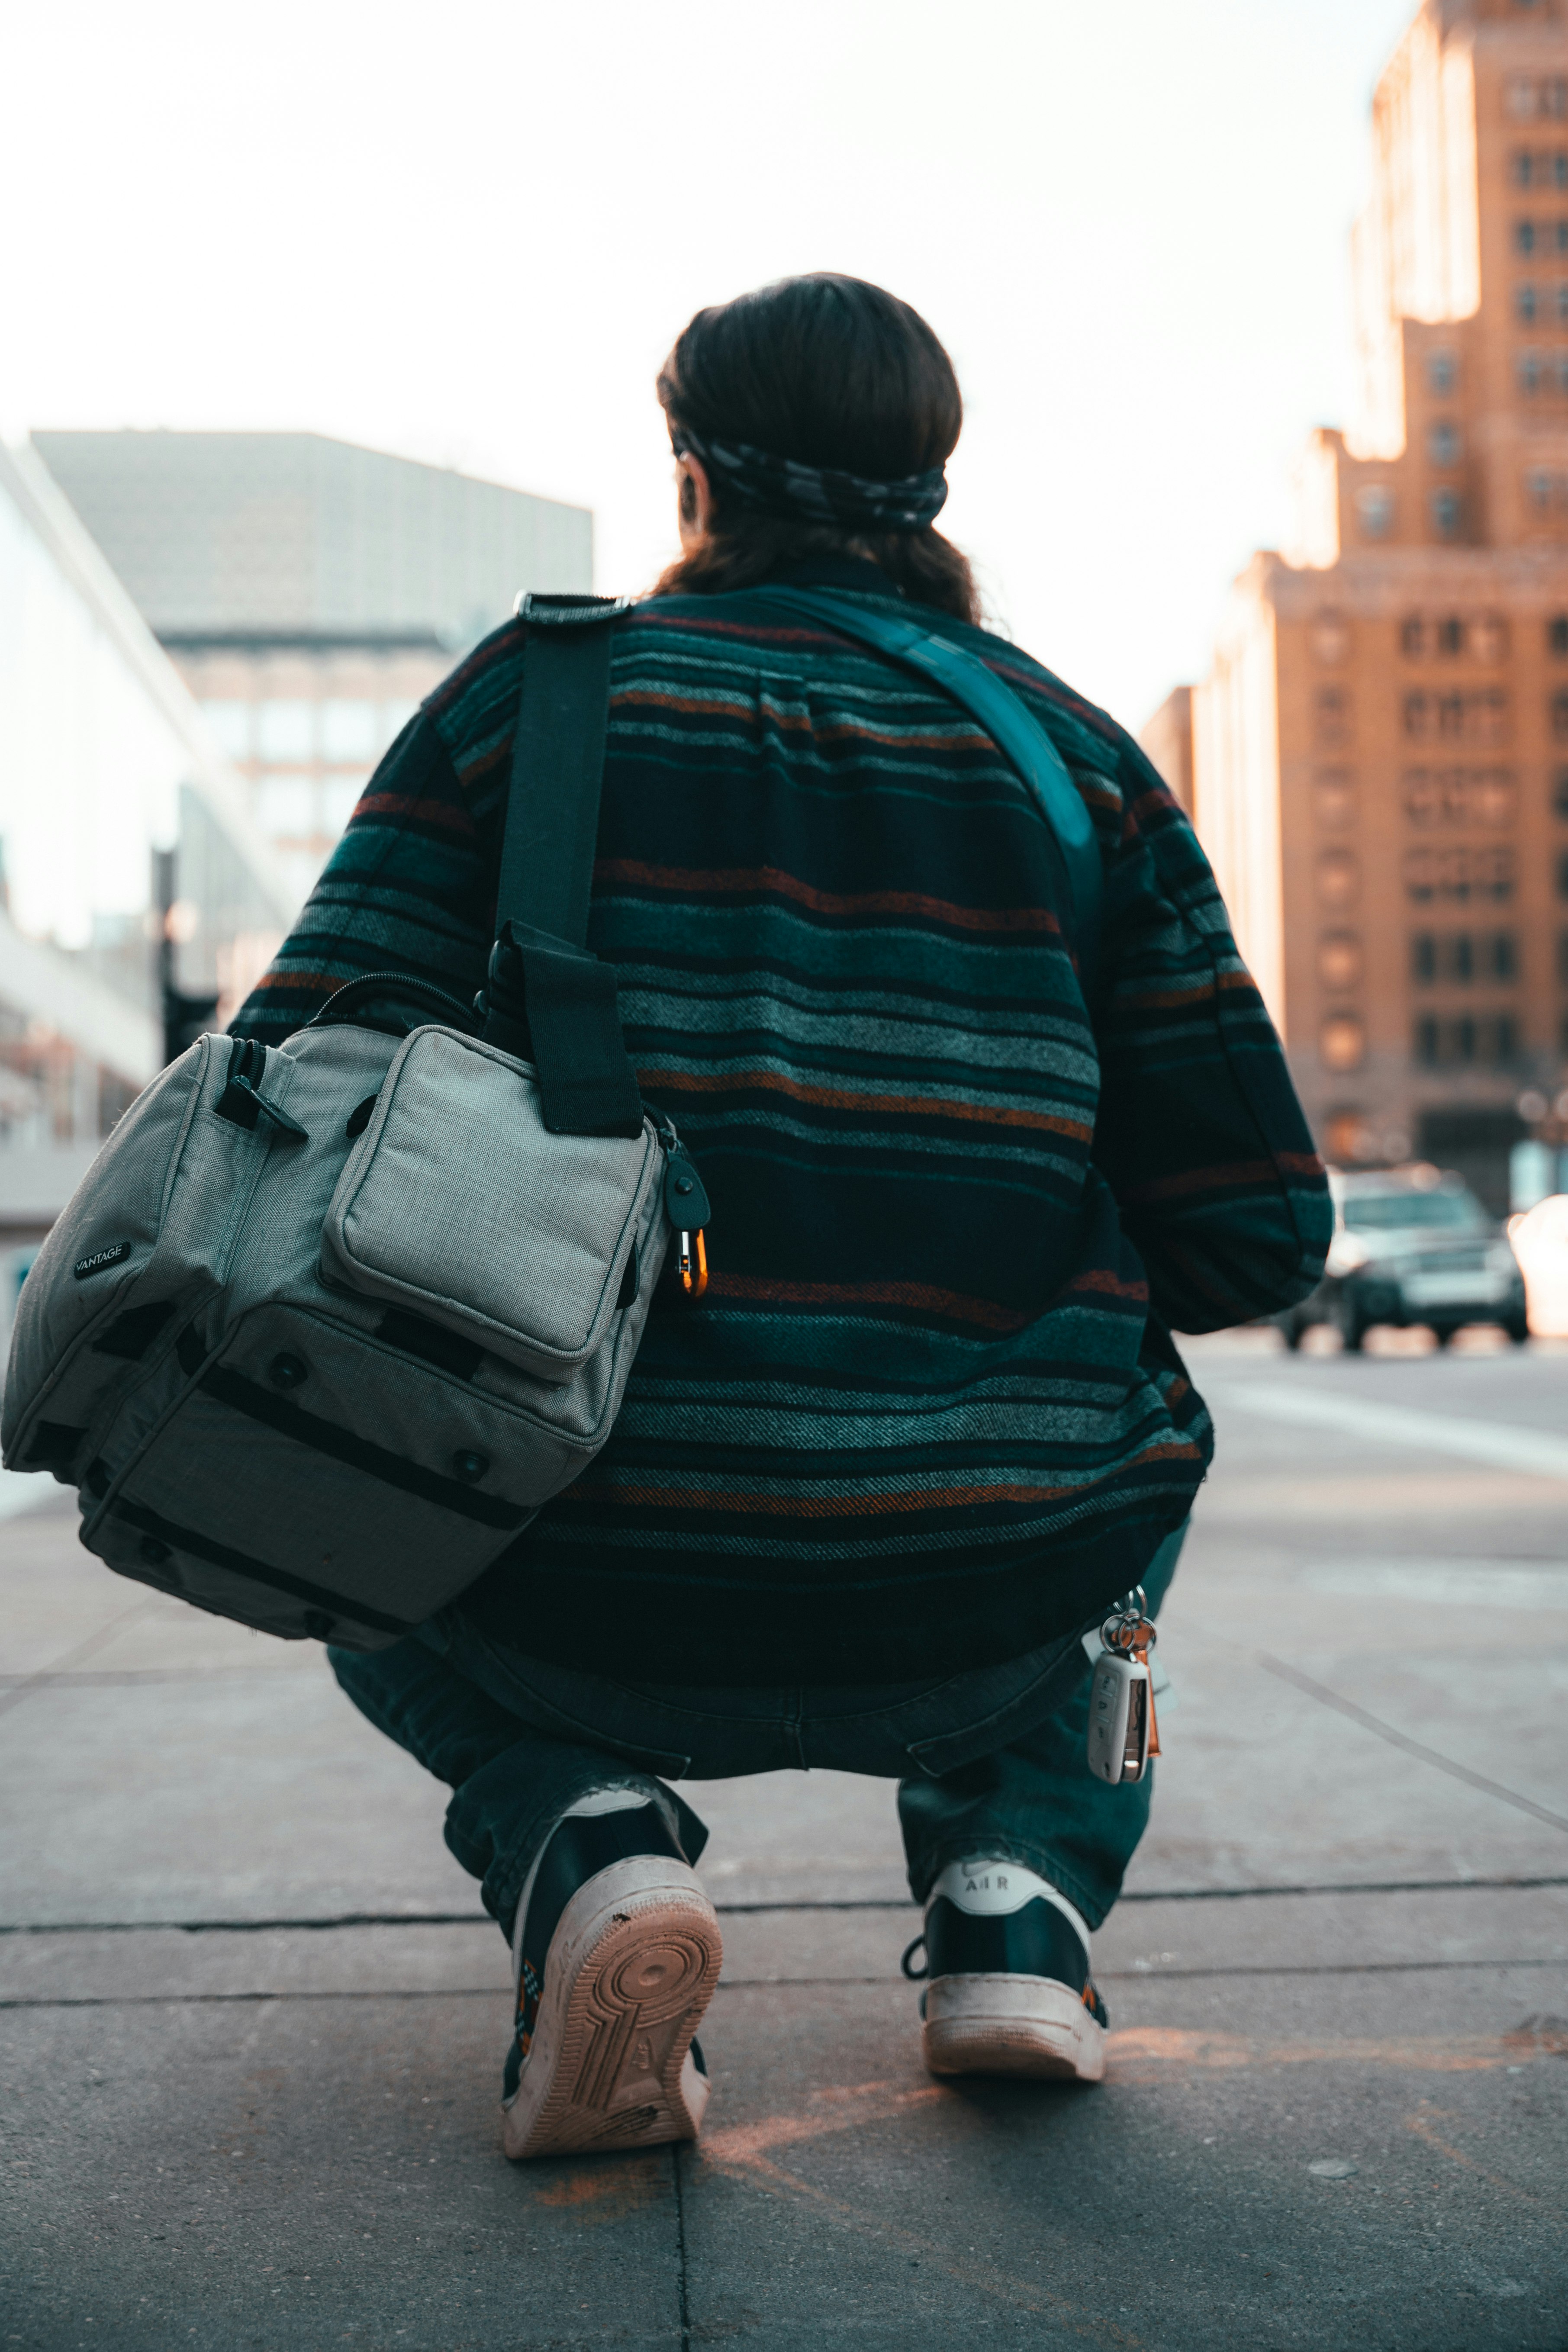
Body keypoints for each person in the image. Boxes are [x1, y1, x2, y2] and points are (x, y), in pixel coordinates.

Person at [231, 273, 1330, 2160]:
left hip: (567, 1567)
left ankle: (574, 1836)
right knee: (1137, 1528)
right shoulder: (1079, 766)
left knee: (335, 1521)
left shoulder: (531, 706)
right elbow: (1257, 1238)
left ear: (686, 473)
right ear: (934, 477)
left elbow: (295, 1070)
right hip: (997, 1581)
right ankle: (1026, 1899)